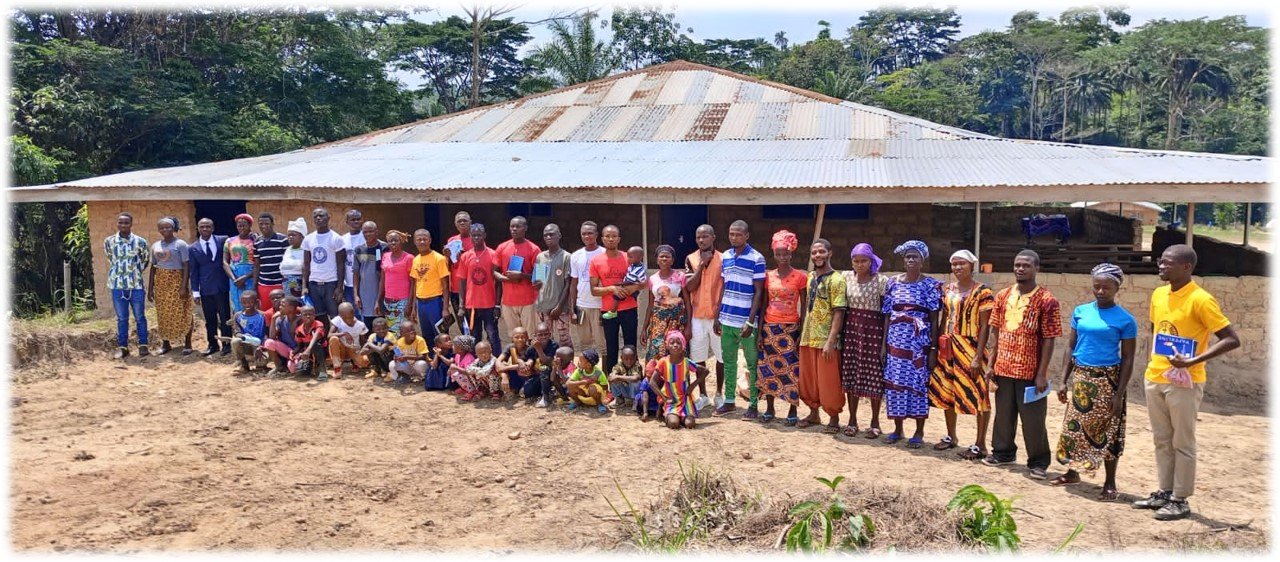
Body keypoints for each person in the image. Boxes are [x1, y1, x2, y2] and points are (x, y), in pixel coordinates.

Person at [1132, 244, 1240, 521]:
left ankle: (1181, 499)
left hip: (1185, 381)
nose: (1161, 266)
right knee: (1161, 440)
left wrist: (1192, 362)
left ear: (1186, 267)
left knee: (1183, 441)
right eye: (1160, 261)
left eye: (1167, 263)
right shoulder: (1158, 294)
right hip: (1155, 376)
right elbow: (1156, 331)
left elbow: (1231, 339)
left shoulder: (1201, 300)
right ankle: (1165, 491)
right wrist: (1150, 363)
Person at [1050, 263, 1138, 501]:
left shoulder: (1125, 320)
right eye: (1096, 287)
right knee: (1074, 427)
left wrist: (1119, 394)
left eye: (1106, 288)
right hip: (1081, 377)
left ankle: (1109, 482)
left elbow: (1128, 358)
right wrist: (1063, 380)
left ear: (1116, 288)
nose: (1100, 291)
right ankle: (1071, 472)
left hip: (1107, 380)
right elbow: (1071, 347)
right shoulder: (1081, 311)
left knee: (1108, 430)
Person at [982, 250, 1061, 480]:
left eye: (1026, 265)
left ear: (1037, 268)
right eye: (1017, 265)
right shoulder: (1003, 295)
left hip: (1030, 371)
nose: (1020, 269)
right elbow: (996, 332)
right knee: (1004, 415)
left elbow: (1049, 338)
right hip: (1004, 367)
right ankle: (1003, 453)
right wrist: (991, 364)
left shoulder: (1047, 300)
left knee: (1033, 419)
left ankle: (1038, 462)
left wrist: (1042, 373)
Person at [928, 250, 996, 458]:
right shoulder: (948, 289)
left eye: (962, 264)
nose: (958, 268)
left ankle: (980, 444)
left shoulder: (983, 292)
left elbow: (985, 327)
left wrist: (977, 356)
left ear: (972, 266)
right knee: (947, 390)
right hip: (949, 345)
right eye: (954, 264)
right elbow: (944, 318)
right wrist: (938, 345)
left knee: (979, 394)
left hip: (972, 345)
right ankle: (951, 436)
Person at [881, 240, 942, 448]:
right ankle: (898, 429)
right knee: (895, 383)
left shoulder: (930, 285)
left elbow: (934, 319)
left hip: (919, 343)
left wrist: (933, 349)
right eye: (908, 256)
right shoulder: (893, 283)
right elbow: (887, 316)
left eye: (915, 256)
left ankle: (919, 431)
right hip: (895, 341)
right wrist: (883, 346)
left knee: (917, 384)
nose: (911, 260)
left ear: (922, 261)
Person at [713, 220, 765, 416]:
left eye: (738, 234)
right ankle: (729, 401)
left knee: (752, 364)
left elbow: (759, 292)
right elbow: (724, 288)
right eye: (731, 234)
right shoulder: (725, 256)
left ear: (747, 235)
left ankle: (753, 405)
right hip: (727, 319)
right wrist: (717, 316)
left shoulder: (756, 258)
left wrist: (751, 321)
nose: (734, 237)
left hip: (746, 322)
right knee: (729, 362)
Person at [756, 230, 806, 425]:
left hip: (791, 328)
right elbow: (763, 304)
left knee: (792, 370)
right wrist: (760, 331)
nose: (782, 257)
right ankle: (769, 408)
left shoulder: (800, 277)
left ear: (791, 253)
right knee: (768, 369)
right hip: (770, 327)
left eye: (785, 253)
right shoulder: (768, 276)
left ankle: (793, 409)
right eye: (778, 253)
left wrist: (801, 331)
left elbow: (805, 306)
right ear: (774, 254)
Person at [841, 243, 890, 439]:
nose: (860, 264)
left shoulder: (881, 281)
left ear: (871, 261)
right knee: (852, 373)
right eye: (856, 261)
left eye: (864, 261)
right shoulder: (846, 278)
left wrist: (885, 342)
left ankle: (875, 422)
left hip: (874, 332)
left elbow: (886, 313)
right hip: (851, 331)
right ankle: (852, 420)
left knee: (873, 376)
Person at [799, 239, 848, 431]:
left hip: (826, 339)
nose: (817, 256)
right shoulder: (811, 277)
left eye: (821, 252)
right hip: (809, 336)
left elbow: (839, 312)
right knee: (809, 379)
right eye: (814, 253)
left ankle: (834, 417)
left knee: (829, 380)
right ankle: (813, 413)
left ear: (830, 254)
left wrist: (831, 340)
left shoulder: (836, 279)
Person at [589, 225, 640, 373]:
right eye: (607, 236)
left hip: (629, 308)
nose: (611, 239)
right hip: (608, 311)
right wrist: (611, 289)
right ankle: (613, 384)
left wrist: (632, 289)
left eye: (614, 236)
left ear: (619, 239)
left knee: (631, 346)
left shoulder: (628, 257)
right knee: (611, 348)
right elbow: (594, 290)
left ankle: (634, 379)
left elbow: (641, 283)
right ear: (602, 238)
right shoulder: (596, 261)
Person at [684, 224, 724, 411]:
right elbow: (690, 287)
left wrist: (718, 315)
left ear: (713, 237)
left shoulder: (724, 259)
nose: (701, 240)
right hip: (698, 316)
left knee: (721, 357)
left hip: (718, 316)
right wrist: (701, 265)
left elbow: (725, 288)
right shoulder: (691, 259)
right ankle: (703, 395)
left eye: (705, 236)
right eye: (698, 237)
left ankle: (719, 394)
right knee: (698, 357)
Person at [105, 213, 151, 359]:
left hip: (136, 285)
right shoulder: (109, 241)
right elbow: (111, 259)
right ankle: (123, 347)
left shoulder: (140, 242)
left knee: (140, 317)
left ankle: (143, 345)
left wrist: (133, 273)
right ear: (117, 224)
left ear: (131, 224)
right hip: (117, 285)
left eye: (126, 223)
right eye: (120, 222)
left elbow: (145, 260)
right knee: (122, 318)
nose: (123, 225)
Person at [148, 216, 193, 355]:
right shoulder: (155, 245)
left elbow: (186, 266)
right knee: (163, 314)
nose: (165, 229)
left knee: (183, 311)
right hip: (161, 283)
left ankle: (188, 343)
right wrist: (150, 289)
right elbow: (153, 267)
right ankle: (166, 343)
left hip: (177, 281)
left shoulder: (181, 244)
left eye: (168, 227)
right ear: (158, 230)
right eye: (162, 227)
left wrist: (184, 286)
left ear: (174, 228)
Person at [496, 216, 541, 348]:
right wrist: (507, 279)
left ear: (525, 228)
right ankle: (517, 365)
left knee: (531, 336)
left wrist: (522, 276)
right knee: (514, 338)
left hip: (528, 301)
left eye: (518, 226)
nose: (514, 229)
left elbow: (539, 277)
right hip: (508, 302)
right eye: (512, 226)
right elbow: (494, 271)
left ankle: (531, 364)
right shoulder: (502, 247)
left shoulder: (534, 249)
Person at [639, 245, 689, 363]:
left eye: (668, 256)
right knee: (656, 351)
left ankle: (676, 379)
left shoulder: (680, 276)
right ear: (657, 260)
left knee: (676, 349)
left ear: (672, 260)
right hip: (657, 322)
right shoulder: (652, 279)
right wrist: (644, 328)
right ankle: (656, 379)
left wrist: (689, 326)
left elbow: (687, 301)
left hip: (677, 321)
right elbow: (650, 305)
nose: (664, 259)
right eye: (661, 256)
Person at [189, 217, 230, 356]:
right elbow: (193, 271)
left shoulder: (223, 240)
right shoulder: (193, 248)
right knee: (210, 319)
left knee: (225, 317)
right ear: (198, 228)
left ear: (212, 228)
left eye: (208, 226)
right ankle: (213, 345)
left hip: (222, 286)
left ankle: (227, 344)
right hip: (205, 289)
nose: (205, 229)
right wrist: (195, 292)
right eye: (202, 227)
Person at [458, 223, 501, 346]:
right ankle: (475, 362)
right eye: (474, 235)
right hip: (472, 305)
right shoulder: (465, 256)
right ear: (470, 236)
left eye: (479, 235)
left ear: (484, 236)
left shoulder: (493, 254)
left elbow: (498, 282)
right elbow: (462, 282)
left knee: (492, 335)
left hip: (489, 304)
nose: (476, 238)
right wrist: (461, 306)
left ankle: (496, 362)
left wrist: (497, 305)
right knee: (474, 336)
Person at [301, 207, 346, 325]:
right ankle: (324, 341)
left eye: (321, 216)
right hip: (314, 284)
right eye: (315, 216)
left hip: (331, 283)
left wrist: (339, 287)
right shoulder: (308, 239)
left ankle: (335, 340)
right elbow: (306, 264)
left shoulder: (336, 238)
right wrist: (304, 286)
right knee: (319, 315)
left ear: (328, 218)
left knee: (335, 315)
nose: (318, 218)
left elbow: (341, 265)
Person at [652, 331, 704, 429]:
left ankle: (680, 416)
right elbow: (652, 383)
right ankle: (670, 415)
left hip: (685, 399)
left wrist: (693, 385)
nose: (675, 345)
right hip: (671, 400)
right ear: (667, 346)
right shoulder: (663, 362)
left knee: (690, 424)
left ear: (683, 346)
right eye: (672, 343)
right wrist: (663, 398)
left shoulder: (686, 362)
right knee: (673, 424)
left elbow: (705, 371)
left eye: (678, 343)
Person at [532, 224, 574, 347]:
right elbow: (539, 281)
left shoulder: (566, 257)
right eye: (546, 235)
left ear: (559, 235)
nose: (548, 236)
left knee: (564, 340)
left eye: (552, 234)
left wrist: (559, 307)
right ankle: (548, 365)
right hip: (543, 306)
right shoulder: (540, 257)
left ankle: (567, 365)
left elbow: (568, 284)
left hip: (561, 308)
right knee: (544, 340)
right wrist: (536, 284)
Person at [568, 221, 606, 353]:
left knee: (603, 344)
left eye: (590, 233)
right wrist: (572, 309)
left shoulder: (605, 253)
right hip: (582, 306)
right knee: (585, 344)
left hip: (600, 306)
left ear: (596, 234)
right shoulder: (575, 256)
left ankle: (604, 372)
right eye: (583, 234)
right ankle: (587, 372)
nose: (586, 236)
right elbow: (573, 283)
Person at [407, 228, 450, 342]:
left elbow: (446, 286)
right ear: (415, 242)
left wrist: (445, 308)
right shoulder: (415, 260)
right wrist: (413, 308)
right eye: (419, 239)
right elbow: (416, 284)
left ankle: (445, 359)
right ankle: (432, 359)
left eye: (424, 239)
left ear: (430, 240)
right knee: (427, 336)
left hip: (435, 302)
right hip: (421, 304)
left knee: (441, 336)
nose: (422, 242)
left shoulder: (439, 258)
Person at [378, 230, 414, 336]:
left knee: (403, 330)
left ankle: (403, 352)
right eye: (390, 241)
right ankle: (395, 352)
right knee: (392, 332)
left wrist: (409, 303)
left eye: (396, 240)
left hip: (403, 301)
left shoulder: (409, 258)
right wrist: (378, 300)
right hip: (388, 301)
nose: (393, 243)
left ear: (401, 241)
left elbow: (413, 283)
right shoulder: (385, 256)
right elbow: (382, 280)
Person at [352, 221, 387, 323]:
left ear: (377, 232)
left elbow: (383, 273)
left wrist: (379, 298)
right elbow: (356, 273)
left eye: (370, 231)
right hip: (365, 293)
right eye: (365, 232)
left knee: (381, 323)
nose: (367, 234)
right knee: (367, 323)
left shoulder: (384, 248)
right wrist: (356, 295)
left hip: (381, 292)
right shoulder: (359, 250)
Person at [253, 212, 289, 310]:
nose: (263, 226)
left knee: (283, 310)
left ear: (272, 224)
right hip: (264, 284)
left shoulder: (283, 240)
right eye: (261, 224)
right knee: (266, 311)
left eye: (266, 223)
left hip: (281, 283)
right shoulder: (257, 242)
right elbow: (257, 265)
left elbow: (289, 260)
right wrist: (255, 285)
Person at [222, 213, 258, 313]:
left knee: (251, 302)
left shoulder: (256, 240)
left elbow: (259, 263)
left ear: (250, 226)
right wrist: (234, 279)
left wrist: (245, 277)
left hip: (251, 276)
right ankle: (237, 326)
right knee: (237, 303)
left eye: (244, 225)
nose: (241, 228)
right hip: (234, 276)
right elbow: (225, 262)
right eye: (239, 225)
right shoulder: (229, 241)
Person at [444, 211, 474, 324]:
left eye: (465, 220)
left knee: (473, 323)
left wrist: (465, 257)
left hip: (472, 288)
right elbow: (450, 265)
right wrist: (447, 257)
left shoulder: (476, 239)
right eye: (459, 221)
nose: (462, 223)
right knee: (462, 322)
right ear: (455, 224)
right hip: (456, 288)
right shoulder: (452, 241)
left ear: (470, 222)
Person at [328, 302, 370, 378]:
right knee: (333, 339)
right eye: (344, 318)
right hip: (342, 349)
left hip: (353, 349)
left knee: (365, 363)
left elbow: (363, 341)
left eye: (350, 317)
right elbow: (329, 335)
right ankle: (337, 368)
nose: (348, 320)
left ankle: (355, 362)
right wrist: (344, 334)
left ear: (353, 313)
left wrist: (361, 352)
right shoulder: (337, 320)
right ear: (340, 316)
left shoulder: (360, 325)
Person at [229, 292, 267, 375]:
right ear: (241, 302)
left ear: (256, 302)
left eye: (250, 302)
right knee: (235, 341)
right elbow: (237, 331)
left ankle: (261, 366)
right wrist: (243, 336)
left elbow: (267, 333)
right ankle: (244, 365)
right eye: (244, 302)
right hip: (246, 344)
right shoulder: (238, 316)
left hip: (260, 346)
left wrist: (261, 346)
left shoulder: (263, 315)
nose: (247, 305)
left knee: (262, 363)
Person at [523, 323, 562, 405]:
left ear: (550, 334)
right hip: (537, 376)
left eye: (546, 334)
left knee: (544, 368)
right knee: (527, 392)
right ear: (535, 336)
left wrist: (539, 349)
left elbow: (546, 361)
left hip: (551, 376)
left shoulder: (553, 345)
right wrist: (526, 365)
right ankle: (542, 393)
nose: (543, 337)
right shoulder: (531, 348)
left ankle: (546, 397)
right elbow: (526, 359)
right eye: (540, 335)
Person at [263, 296, 300, 377]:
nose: (280, 307)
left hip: (298, 349)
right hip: (286, 348)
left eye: (283, 305)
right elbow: (272, 337)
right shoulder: (280, 319)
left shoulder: (300, 320)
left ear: (291, 308)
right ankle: (278, 366)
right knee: (269, 342)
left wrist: (296, 351)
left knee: (293, 369)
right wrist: (273, 319)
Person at [606, 246, 647, 320]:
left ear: (639, 258)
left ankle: (613, 312)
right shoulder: (633, 265)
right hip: (627, 283)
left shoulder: (640, 269)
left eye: (631, 257)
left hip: (630, 284)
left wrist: (635, 286)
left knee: (617, 295)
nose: (628, 259)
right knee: (617, 287)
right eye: (628, 257)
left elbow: (643, 281)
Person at [566, 348, 609, 414]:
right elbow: (568, 383)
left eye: (581, 361)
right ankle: (578, 402)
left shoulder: (599, 373)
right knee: (571, 387)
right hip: (584, 394)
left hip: (595, 397)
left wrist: (595, 383)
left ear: (588, 365)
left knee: (592, 388)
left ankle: (600, 404)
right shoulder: (579, 371)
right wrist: (582, 382)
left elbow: (606, 387)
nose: (578, 362)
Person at [292, 305, 329, 380]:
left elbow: (315, 337)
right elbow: (300, 346)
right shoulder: (299, 330)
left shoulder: (318, 324)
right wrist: (294, 353)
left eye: (310, 314)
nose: (308, 316)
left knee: (316, 345)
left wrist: (308, 350)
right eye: (305, 315)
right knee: (302, 372)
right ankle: (310, 365)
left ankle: (322, 369)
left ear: (314, 315)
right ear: (301, 316)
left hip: (321, 351)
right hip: (308, 353)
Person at [496, 326, 534, 399]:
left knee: (509, 362)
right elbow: (498, 362)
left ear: (527, 338)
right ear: (512, 338)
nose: (520, 340)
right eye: (517, 337)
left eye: (522, 337)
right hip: (514, 376)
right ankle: (512, 389)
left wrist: (517, 364)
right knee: (505, 362)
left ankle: (518, 389)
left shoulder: (530, 349)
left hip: (526, 378)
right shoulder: (511, 347)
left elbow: (529, 364)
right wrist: (504, 376)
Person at [341, 209, 365, 321]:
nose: (356, 222)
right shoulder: (342, 239)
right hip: (348, 284)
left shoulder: (366, 236)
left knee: (364, 312)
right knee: (353, 314)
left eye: (358, 219)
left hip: (364, 283)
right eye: (352, 219)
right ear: (347, 222)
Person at [391, 320, 430, 386]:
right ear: (402, 334)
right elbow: (398, 355)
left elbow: (424, 357)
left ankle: (423, 377)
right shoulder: (400, 341)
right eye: (408, 331)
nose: (412, 332)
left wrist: (406, 356)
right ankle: (403, 377)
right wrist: (396, 357)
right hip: (407, 366)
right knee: (392, 364)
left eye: (413, 330)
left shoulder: (420, 340)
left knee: (421, 364)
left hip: (416, 366)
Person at [279, 218, 307, 299]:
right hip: (286, 282)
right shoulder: (288, 249)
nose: (290, 237)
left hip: (297, 283)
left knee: (296, 304)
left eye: (293, 235)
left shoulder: (305, 250)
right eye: (289, 235)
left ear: (302, 236)